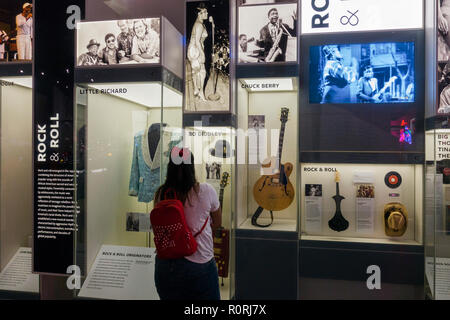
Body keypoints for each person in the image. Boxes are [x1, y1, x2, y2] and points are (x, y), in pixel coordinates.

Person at [154, 148, 221, 300]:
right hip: (199, 262)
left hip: (165, 264)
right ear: (191, 166)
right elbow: (217, 222)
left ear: (170, 166)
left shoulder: (161, 193)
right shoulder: (206, 190)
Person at [187, 3, 209, 101]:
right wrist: (202, 54)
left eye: (206, 11)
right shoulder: (199, 25)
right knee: (202, 72)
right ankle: (200, 93)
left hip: (192, 49)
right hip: (196, 49)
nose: (206, 13)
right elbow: (197, 41)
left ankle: (196, 89)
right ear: (199, 14)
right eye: (204, 12)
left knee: (196, 71)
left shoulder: (198, 23)